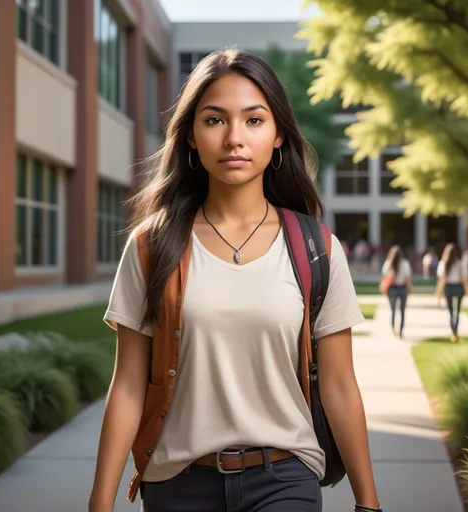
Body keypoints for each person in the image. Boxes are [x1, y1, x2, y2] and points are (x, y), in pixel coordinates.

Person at [89, 50, 382, 512]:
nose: (233, 139)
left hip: (284, 480)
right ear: (190, 137)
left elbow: (340, 384)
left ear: (278, 134)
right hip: (177, 485)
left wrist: (368, 500)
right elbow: (127, 383)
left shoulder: (318, 249)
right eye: (214, 120)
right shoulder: (151, 246)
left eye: (253, 120)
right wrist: (99, 502)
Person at [436, 244, 468, 343]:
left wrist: (438, 292)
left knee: (451, 312)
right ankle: (455, 332)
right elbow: (464, 279)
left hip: (449, 288)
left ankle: (453, 332)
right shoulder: (460, 263)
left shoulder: (443, 264)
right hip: (458, 288)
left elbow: (442, 280)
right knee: (457, 311)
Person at [382, 246, 412, 338]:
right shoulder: (405, 264)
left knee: (393, 310)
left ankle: (393, 325)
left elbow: (384, 277)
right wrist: (410, 288)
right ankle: (401, 330)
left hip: (392, 288)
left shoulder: (388, 264)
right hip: (402, 288)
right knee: (402, 311)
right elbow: (407, 278)